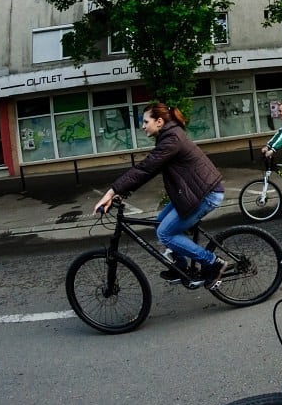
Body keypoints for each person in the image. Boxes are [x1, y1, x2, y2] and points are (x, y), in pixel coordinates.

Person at [93, 103, 227, 287]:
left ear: (159, 121)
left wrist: (112, 191)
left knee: (165, 233)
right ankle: (181, 266)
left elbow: (146, 168)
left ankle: (213, 262)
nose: (142, 126)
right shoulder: (169, 136)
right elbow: (150, 170)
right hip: (193, 192)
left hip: (205, 194)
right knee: (159, 222)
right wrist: (122, 192)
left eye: (145, 121)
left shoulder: (171, 139)